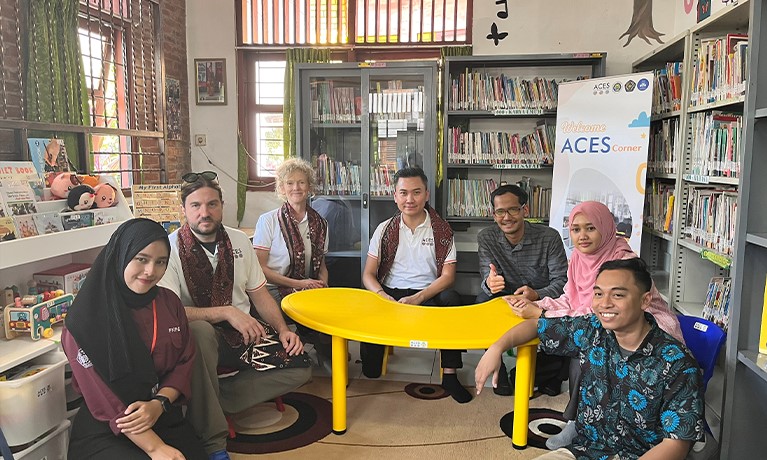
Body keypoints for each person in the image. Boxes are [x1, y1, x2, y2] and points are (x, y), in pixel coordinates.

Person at [476, 258, 704, 460]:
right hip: (586, 451)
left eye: (617, 295)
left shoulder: (678, 363)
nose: (604, 303)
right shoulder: (592, 330)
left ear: (645, 301)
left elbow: (676, 444)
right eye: (598, 293)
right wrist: (496, 348)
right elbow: (536, 326)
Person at [505, 200, 684, 450]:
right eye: (575, 229)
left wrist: (542, 313)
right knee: (584, 347)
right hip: (608, 326)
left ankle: (580, 422)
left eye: (590, 228)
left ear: (605, 227)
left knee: (587, 353)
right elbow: (571, 299)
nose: (582, 236)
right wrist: (538, 302)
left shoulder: (624, 260)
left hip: (646, 328)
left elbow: (600, 313)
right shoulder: (579, 258)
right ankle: (582, 421)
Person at [158, 171, 311, 460]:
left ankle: (212, 398)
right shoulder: (170, 248)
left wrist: (282, 329)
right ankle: (214, 442)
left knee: (301, 364)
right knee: (201, 332)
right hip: (202, 341)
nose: (205, 213)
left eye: (212, 204)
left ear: (221, 206)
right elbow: (172, 312)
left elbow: (260, 294)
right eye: (196, 206)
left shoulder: (239, 241)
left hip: (245, 335)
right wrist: (227, 312)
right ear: (184, 210)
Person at [63, 218, 205, 460]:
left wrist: (159, 403)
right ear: (121, 255)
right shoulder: (84, 320)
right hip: (110, 425)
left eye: (160, 262)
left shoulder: (169, 302)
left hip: (159, 412)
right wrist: (155, 448)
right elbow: (103, 399)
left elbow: (184, 360)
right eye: (141, 259)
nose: (151, 271)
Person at [361, 166, 471, 404]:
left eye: (416, 192)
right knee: (370, 370)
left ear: (427, 194)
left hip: (427, 292)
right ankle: (373, 355)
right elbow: (368, 274)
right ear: (395, 196)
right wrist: (381, 294)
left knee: (452, 300)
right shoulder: (384, 229)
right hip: (390, 291)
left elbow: (448, 276)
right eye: (403, 193)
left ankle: (450, 375)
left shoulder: (442, 230)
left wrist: (418, 298)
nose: (409, 199)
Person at [476, 184, 568, 396]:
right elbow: (486, 276)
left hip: (542, 298)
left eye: (513, 210)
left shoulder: (549, 237)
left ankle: (552, 371)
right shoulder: (487, 238)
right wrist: (491, 284)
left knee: (564, 310)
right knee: (482, 299)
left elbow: (562, 282)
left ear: (525, 210)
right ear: (493, 214)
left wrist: (537, 294)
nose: (506, 217)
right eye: (500, 211)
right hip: (505, 297)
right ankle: (496, 366)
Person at [253, 158, 331, 361]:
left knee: (332, 314)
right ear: (281, 188)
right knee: (304, 315)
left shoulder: (321, 224)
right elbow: (260, 268)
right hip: (272, 288)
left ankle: (324, 353)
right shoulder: (268, 221)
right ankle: (298, 347)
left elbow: (321, 265)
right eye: (289, 183)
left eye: (301, 182)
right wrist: (299, 284)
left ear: (309, 186)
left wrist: (323, 285)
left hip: (307, 286)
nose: (296, 187)